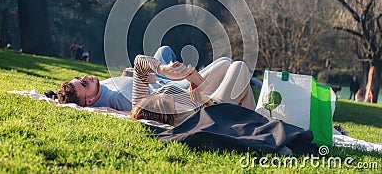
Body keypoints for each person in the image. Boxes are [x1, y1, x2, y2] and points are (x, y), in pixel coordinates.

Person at [57, 46, 256, 125]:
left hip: (188, 95)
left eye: (80, 77)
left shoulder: (137, 99)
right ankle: (259, 122)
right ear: (90, 100)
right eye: (84, 83)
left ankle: (260, 121)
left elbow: (140, 62)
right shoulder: (123, 103)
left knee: (226, 64)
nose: (86, 77)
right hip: (211, 111)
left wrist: (162, 69)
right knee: (238, 67)